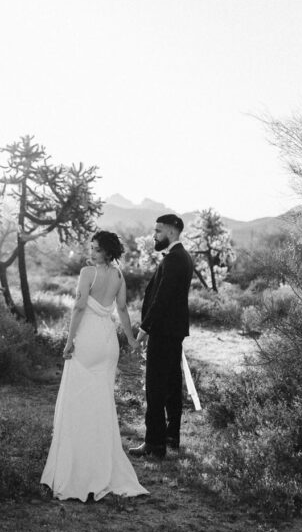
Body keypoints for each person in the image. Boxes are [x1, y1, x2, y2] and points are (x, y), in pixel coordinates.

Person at [41, 230, 148, 502]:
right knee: (102, 403)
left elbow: (78, 308)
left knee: (77, 402)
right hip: (108, 341)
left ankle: (78, 469)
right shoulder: (119, 276)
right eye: (91, 248)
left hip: (88, 340)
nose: (92, 253)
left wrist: (69, 341)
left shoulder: (88, 273)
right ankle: (102, 467)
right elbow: (122, 310)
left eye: (97, 249)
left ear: (108, 252)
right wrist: (132, 341)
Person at [129, 213, 194, 459]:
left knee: (156, 388)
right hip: (172, 333)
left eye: (158, 231)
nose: (155, 235)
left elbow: (162, 299)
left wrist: (144, 329)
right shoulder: (181, 257)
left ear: (172, 232)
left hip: (164, 332)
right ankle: (171, 437)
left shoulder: (175, 259)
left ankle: (155, 444)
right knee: (170, 386)